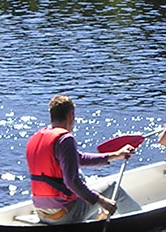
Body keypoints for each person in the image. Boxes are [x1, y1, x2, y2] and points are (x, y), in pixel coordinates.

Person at [26, 95, 136, 225]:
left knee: (82, 178)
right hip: (64, 215)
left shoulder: (36, 138)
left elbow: (79, 159)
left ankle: (95, 218)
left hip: (41, 212)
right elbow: (71, 181)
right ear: (71, 115)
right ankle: (140, 221)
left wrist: (117, 154)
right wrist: (102, 201)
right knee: (112, 187)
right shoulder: (65, 139)